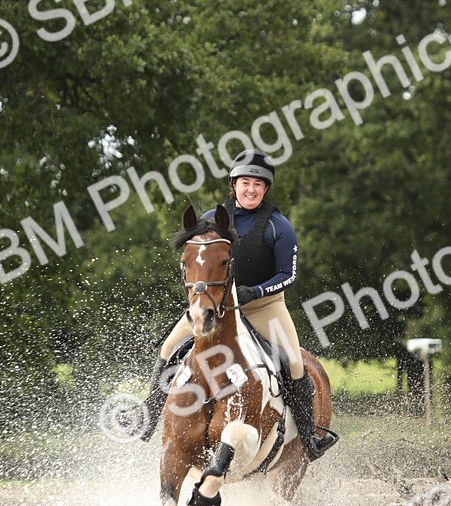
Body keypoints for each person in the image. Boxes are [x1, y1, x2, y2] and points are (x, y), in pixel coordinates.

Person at [137, 149, 337, 460]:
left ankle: (309, 437)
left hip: (264, 307)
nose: (251, 189)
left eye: (258, 184)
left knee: (295, 363)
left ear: (266, 188)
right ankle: (149, 414)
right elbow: (195, 259)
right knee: (169, 347)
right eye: (245, 183)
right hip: (216, 306)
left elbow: (288, 274)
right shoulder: (211, 220)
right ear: (234, 185)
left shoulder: (279, 226)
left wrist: (255, 292)